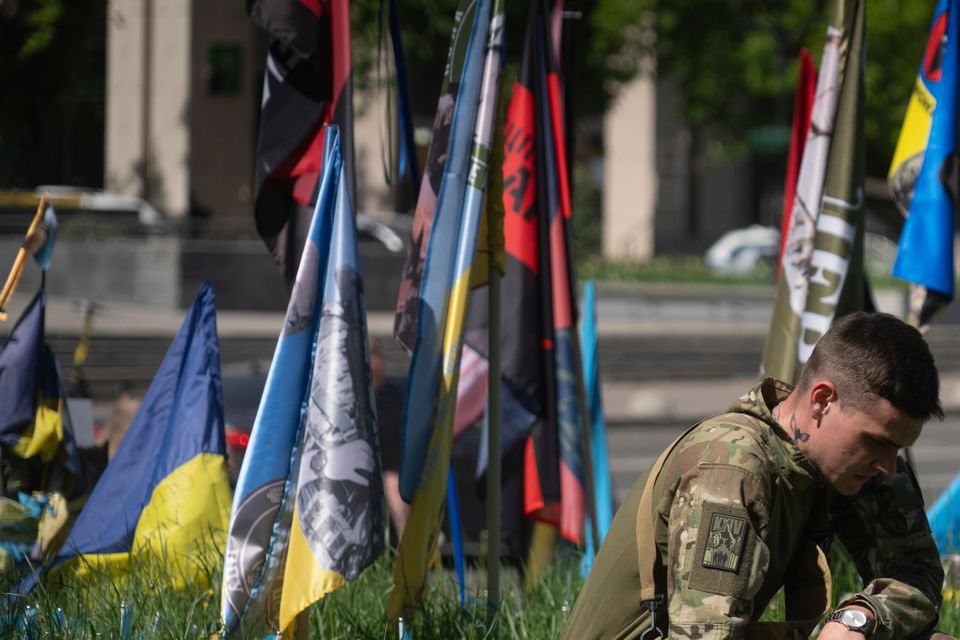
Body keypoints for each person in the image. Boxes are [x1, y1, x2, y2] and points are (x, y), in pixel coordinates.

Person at [563, 312, 954, 640]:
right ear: (822, 400)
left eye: (898, 448)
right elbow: (706, 635)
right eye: (877, 441)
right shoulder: (731, 467)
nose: (888, 465)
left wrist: (860, 618)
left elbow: (917, 575)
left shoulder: (851, 463)